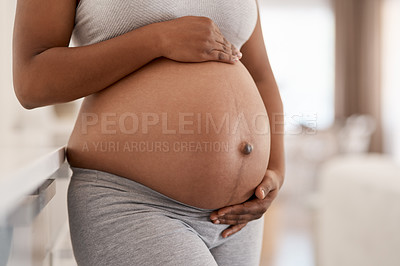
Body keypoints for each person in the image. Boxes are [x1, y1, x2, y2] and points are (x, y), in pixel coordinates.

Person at [13, 0, 285, 265]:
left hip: (238, 218)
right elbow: (32, 81)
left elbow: (260, 74)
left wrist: (275, 171)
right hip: (133, 202)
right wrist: (158, 39)